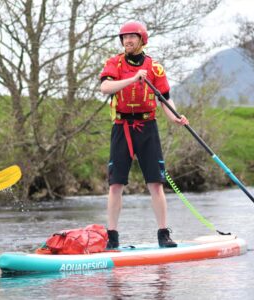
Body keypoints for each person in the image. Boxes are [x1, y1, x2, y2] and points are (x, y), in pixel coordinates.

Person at [100, 21, 189, 249]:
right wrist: (132, 79)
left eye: (131, 37)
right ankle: (112, 237)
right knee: (115, 184)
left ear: (142, 39)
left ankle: (163, 234)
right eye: (124, 37)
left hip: (148, 128)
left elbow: (165, 98)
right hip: (122, 128)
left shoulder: (155, 68)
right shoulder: (114, 63)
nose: (127, 41)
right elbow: (105, 88)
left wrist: (175, 117)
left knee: (156, 183)